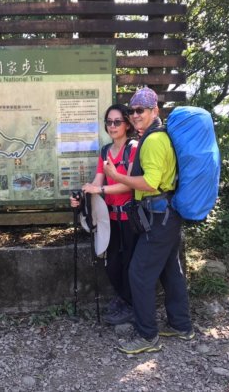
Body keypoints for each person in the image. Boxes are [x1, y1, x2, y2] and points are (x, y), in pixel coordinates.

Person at [103, 87, 194, 354]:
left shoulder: (153, 141)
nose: (135, 115)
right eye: (132, 111)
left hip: (158, 217)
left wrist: (115, 175)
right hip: (166, 215)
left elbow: (150, 182)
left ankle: (147, 336)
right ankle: (181, 325)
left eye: (140, 110)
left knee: (139, 274)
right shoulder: (156, 136)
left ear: (155, 111)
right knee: (170, 271)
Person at [70, 104, 138, 325]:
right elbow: (97, 182)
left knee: (131, 264)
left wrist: (99, 190)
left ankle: (130, 305)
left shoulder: (133, 149)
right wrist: (82, 196)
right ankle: (124, 300)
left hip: (131, 218)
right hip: (109, 219)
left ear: (127, 124)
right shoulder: (105, 151)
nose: (112, 126)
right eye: (109, 122)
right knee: (111, 264)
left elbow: (128, 185)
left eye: (117, 121)